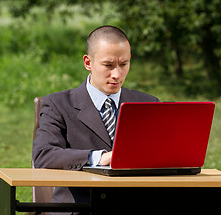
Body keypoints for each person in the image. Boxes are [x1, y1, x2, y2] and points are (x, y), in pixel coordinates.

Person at [32, 25, 159, 212]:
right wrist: (98, 158)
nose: (117, 74)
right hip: (79, 208)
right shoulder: (58, 104)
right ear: (88, 62)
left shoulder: (148, 104)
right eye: (108, 65)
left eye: (123, 64)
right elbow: (44, 154)